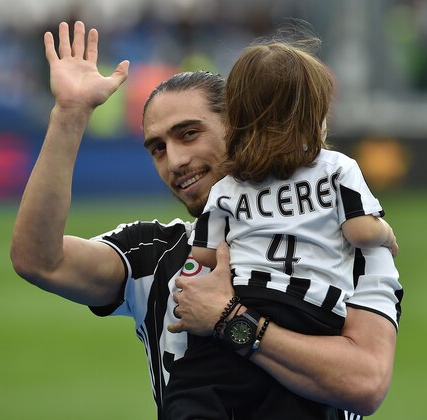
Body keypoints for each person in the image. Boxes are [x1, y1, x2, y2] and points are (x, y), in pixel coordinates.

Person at [10, 21, 403, 419]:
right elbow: (40, 260)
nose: (175, 161)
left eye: (189, 134)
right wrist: (70, 114)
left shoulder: (356, 247)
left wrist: (228, 319)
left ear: (239, 127)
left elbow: (364, 383)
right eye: (157, 149)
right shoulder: (155, 252)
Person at [163, 37, 398, 419]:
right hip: (314, 313)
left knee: (193, 388)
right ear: (313, 114)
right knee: (296, 402)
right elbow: (360, 231)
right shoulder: (337, 168)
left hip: (247, 295)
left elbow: (203, 255)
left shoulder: (226, 188)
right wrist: (385, 234)